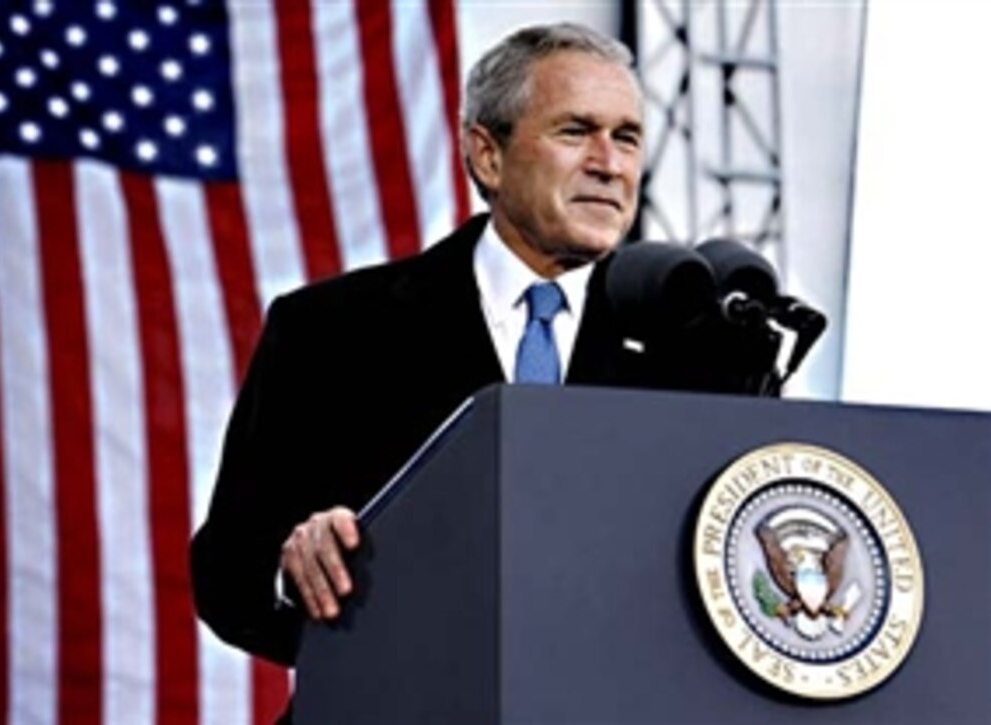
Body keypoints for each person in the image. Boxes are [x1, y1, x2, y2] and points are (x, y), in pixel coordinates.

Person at [191, 22, 731, 666]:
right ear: (487, 156)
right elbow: (227, 570)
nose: (609, 165)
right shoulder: (332, 330)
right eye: (574, 131)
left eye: (626, 138)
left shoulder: (696, 354)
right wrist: (300, 571)